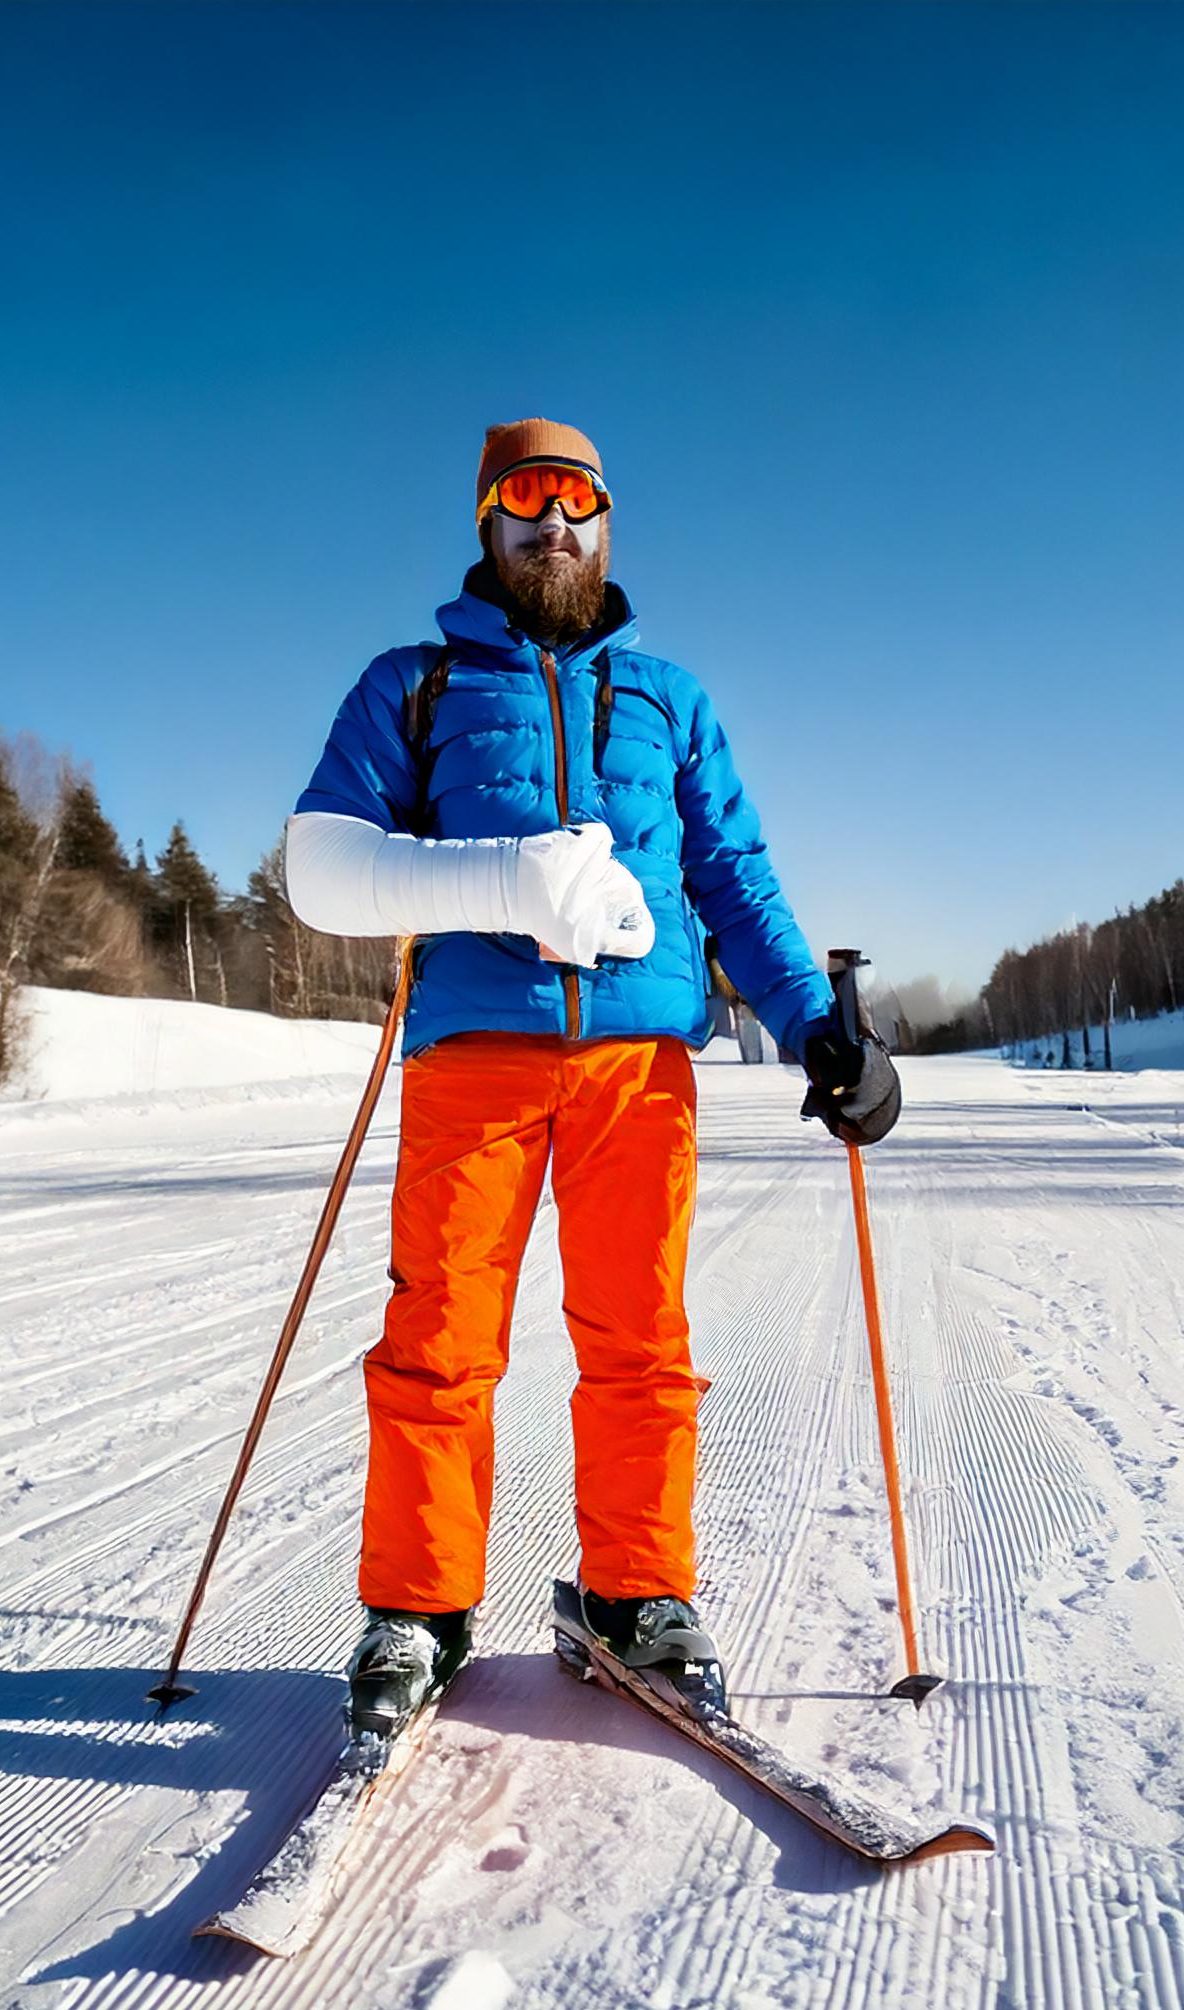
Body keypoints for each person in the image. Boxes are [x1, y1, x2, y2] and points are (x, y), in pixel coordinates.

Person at [285, 418, 899, 1739]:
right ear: (489, 523)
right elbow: (321, 866)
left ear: (606, 522)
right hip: (475, 1058)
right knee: (437, 1344)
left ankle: (635, 1599)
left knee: (641, 1345)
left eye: (578, 498)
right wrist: (505, 881)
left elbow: (734, 877)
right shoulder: (418, 685)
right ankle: (419, 1611)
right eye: (525, 497)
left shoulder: (671, 697)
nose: (553, 522)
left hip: (639, 1071)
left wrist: (817, 1026)